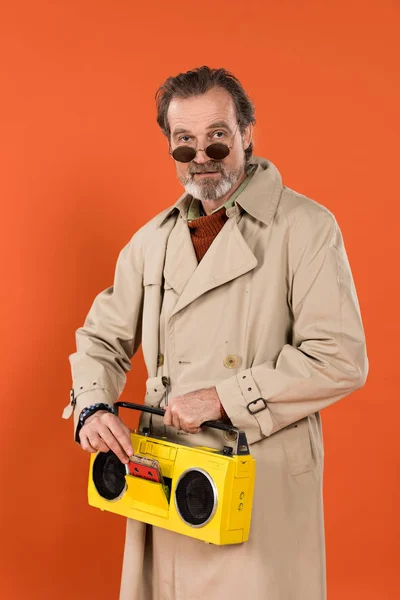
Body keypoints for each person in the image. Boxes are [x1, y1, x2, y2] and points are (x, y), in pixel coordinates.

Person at [63, 66, 368, 600]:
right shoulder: (150, 242)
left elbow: (340, 357)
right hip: (166, 478)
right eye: (184, 142)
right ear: (171, 148)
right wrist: (92, 405)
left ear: (247, 134)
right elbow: (100, 339)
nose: (201, 156)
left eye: (217, 138)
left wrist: (225, 398)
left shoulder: (307, 228)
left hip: (259, 483)